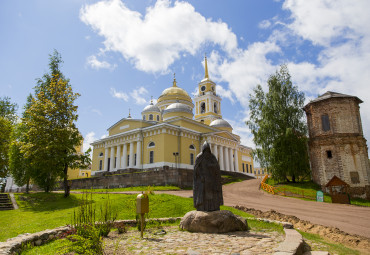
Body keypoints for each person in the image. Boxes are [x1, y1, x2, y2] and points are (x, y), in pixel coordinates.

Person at [193, 141, 223, 211]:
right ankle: (202, 207)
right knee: (203, 195)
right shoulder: (199, 157)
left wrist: (211, 166)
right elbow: (196, 169)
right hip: (203, 180)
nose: (206, 153)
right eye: (205, 150)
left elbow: (216, 167)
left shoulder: (212, 157)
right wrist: (201, 176)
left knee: (211, 195)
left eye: (207, 150)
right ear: (203, 150)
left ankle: (212, 207)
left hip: (211, 179)